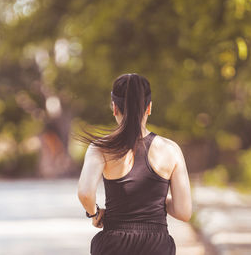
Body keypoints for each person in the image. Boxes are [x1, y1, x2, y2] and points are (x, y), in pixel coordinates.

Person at [77, 73, 192, 255]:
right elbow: (184, 212)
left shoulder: (100, 148)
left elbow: (85, 193)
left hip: (113, 245)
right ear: (149, 108)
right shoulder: (171, 150)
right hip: (157, 246)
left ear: (114, 108)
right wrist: (155, 198)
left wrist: (95, 213)